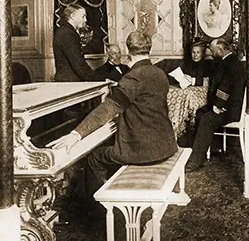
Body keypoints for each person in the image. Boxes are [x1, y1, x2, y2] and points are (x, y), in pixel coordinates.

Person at [47, 31, 177, 199]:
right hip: (165, 145)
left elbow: (107, 108)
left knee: (95, 158)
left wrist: (76, 134)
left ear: (127, 50)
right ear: (149, 49)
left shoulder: (133, 77)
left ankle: (96, 212)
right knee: (109, 149)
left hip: (143, 151)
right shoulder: (159, 73)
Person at [184, 38, 245, 172]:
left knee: (207, 119)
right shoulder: (227, 61)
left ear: (220, 50)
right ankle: (199, 151)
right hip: (226, 105)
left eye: (212, 50)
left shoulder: (231, 64)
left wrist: (218, 105)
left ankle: (195, 161)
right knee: (199, 112)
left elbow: (226, 86)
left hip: (230, 110)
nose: (211, 54)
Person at [53, 3, 105, 82]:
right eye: (83, 16)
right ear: (73, 16)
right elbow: (79, 65)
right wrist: (100, 80)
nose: (85, 20)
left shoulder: (65, 31)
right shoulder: (67, 34)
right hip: (70, 84)